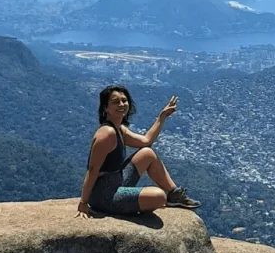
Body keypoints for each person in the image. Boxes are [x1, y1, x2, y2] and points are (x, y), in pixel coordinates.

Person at [76, 85, 200, 219]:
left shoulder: (119, 129)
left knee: (147, 153)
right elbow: (93, 170)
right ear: (106, 108)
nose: (121, 104)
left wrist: (162, 116)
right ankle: (120, 206)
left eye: (124, 100)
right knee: (159, 197)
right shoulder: (107, 134)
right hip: (105, 195)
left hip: (118, 180)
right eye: (115, 102)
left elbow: (146, 141)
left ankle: (175, 195)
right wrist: (83, 203)